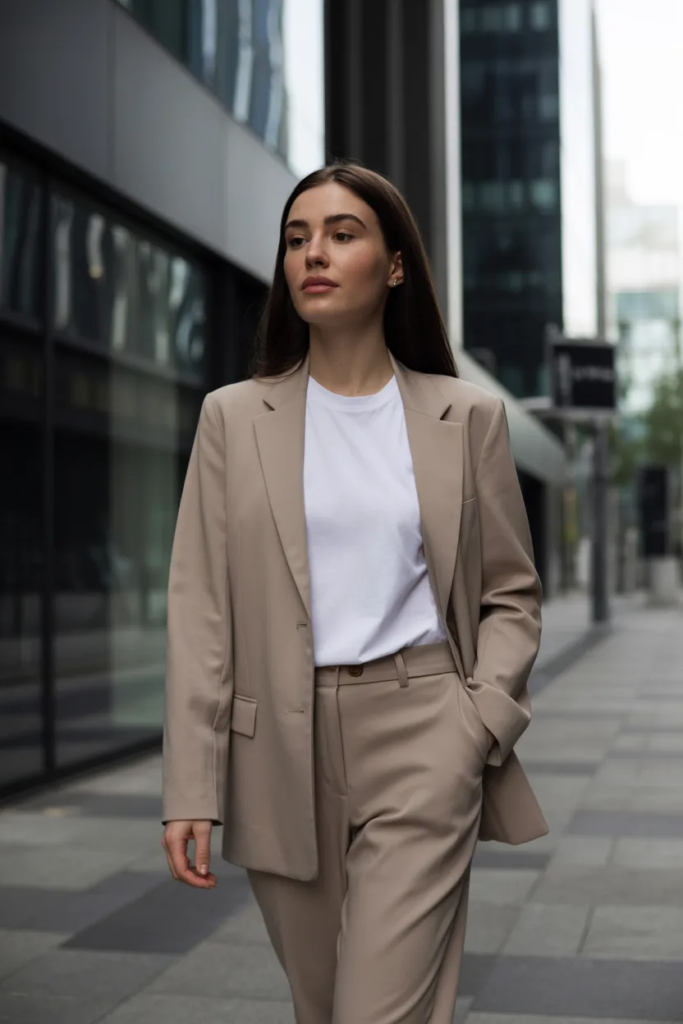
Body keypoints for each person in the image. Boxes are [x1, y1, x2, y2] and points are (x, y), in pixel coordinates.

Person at [161, 161, 547, 1023]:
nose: (313, 255)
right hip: (275, 751)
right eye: (297, 239)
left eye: (341, 234)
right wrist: (191, 784)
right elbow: (200, 611)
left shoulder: (466, 417)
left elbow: (510, 595)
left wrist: (476, 720)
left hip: (423, 735)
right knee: (322, 1006)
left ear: (395, 264)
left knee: (378, 1013)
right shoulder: (232, 418)